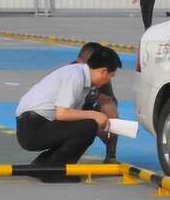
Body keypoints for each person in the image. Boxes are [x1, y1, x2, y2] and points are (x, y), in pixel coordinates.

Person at [15, 46, 122, 183]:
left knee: (87, 126)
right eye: (111, 76)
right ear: (103, 72)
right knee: (89, 125)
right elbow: (62, 114)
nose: (108, 81)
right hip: (32, 128)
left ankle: (42, 165)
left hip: (35, 125)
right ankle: (55, 171)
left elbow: (72, 120)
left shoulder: (80, 77)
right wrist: (95, 116)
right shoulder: (75, 76)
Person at [75, 42, 119, 164]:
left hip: (86, 109)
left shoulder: (100, 76)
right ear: (79, 61)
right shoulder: (70, 73)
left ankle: (111, 154)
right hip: (64, 114)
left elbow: (112, 101)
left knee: (109, 106)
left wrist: (100, 100)